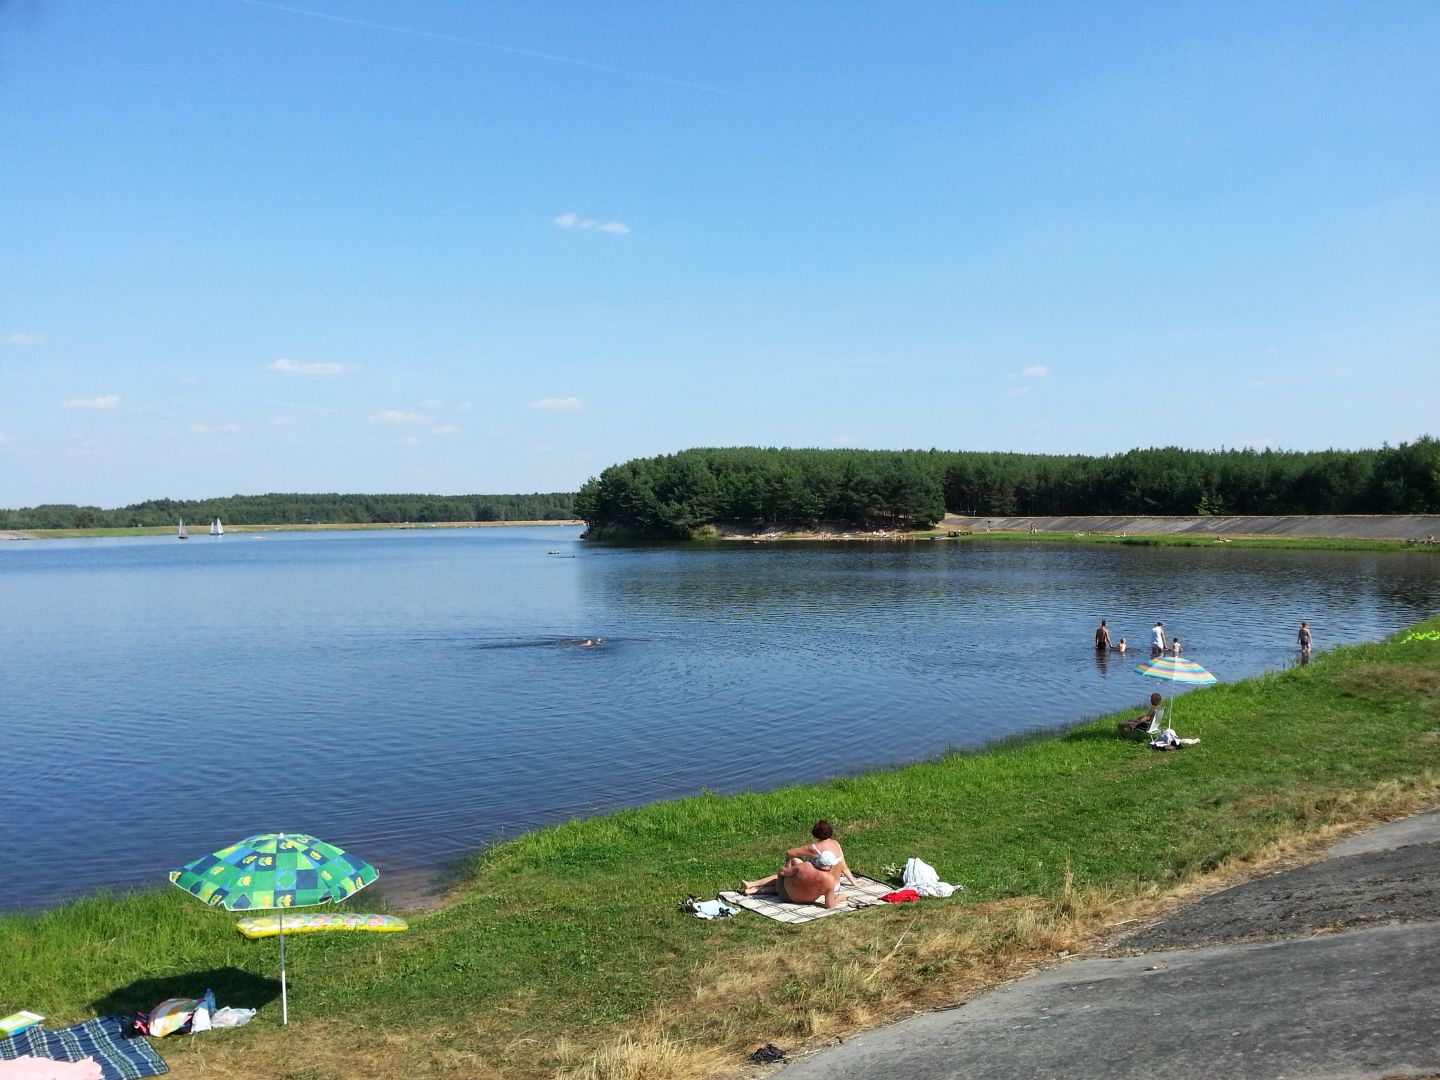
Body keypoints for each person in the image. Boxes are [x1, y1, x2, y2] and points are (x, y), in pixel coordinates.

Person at [742, 820, 855, 898]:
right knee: (794, 866)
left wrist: (787, 866)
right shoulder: (836, 844)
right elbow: (844, 867)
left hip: (819, 884)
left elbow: (790, 852)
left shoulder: (814, 848)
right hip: (835, 886)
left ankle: (753, 886)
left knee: (784, 879)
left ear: (815, 833)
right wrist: (853, 882)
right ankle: (752, 889)